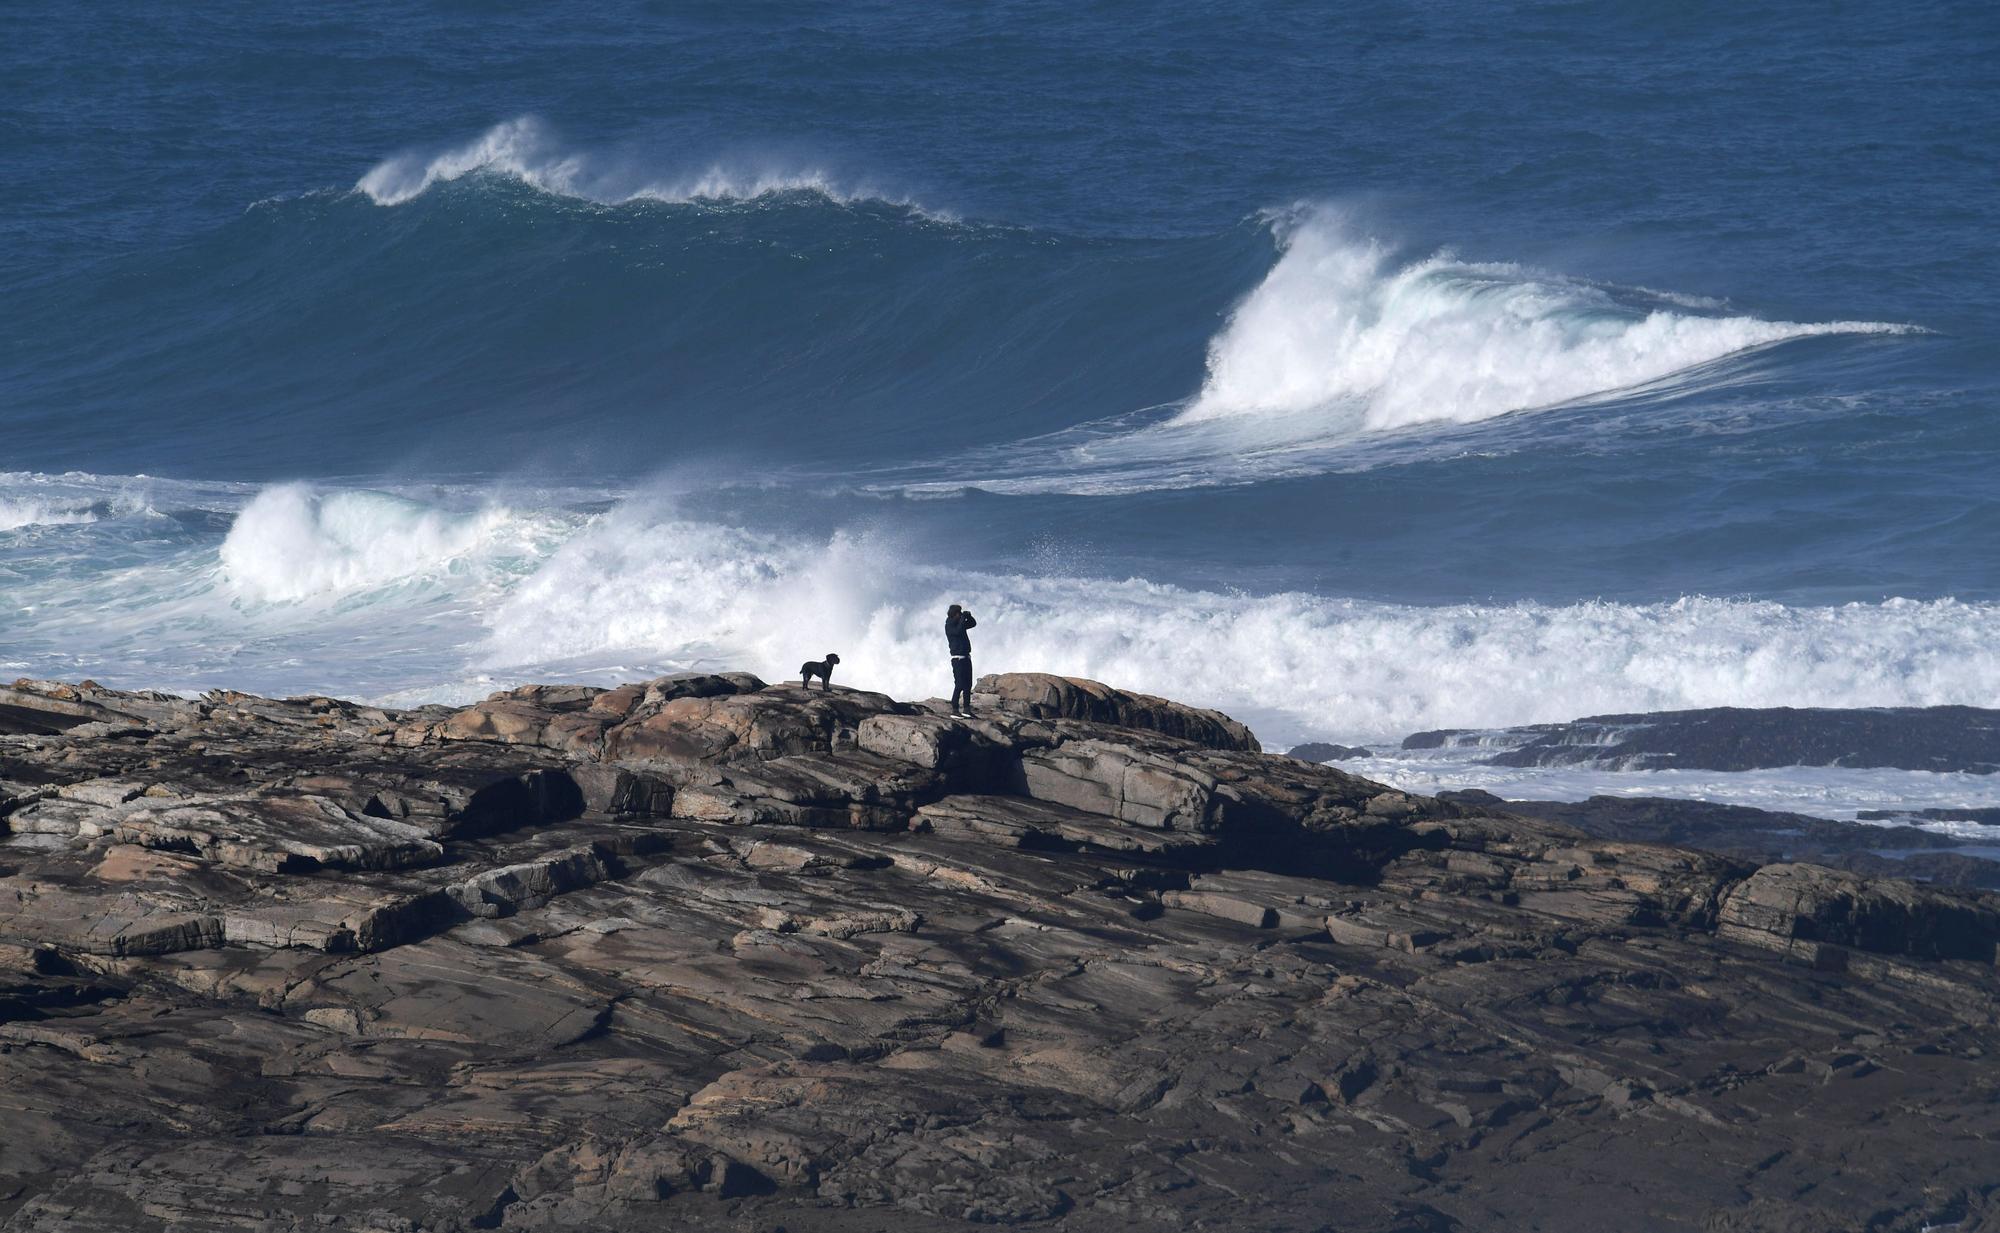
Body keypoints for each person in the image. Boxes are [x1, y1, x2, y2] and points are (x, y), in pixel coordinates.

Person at [945, 603, 977, 717]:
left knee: (968, 684)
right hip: (957, 659)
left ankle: (967, 709)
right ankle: (955, 709)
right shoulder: (949, 625)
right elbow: (958, 632)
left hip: (966, 657)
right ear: (955, 614)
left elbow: (973, 624)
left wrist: (969, 616)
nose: (960, 615)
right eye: (959, 613)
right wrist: (963, 619)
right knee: (959, 684)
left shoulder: (960, 623)